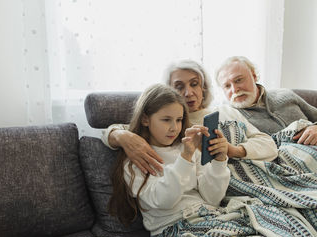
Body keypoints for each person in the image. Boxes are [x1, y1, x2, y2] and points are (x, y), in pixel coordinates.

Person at [102, 60, 278, 175]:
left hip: (264, 171)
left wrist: (233, 150)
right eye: (179, 87)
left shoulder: (227, 111)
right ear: (169, 92)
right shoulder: (171, 125)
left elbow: (269, 146)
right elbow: (116, 130)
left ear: (203, 88)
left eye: (194, 84)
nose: (188, 93)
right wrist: (120, 136)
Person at [107, 84, 231, 236]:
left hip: (210, 216)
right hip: (173, 228)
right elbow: (165, 200)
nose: (174, 128)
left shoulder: (187, 147)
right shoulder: (136, 160)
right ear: (145, 119)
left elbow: (213, 199)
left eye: (179, 120)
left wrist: (219, 162)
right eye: (166, 120)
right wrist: (185, 158)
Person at [215, 56, 317, 146]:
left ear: (254, 76)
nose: (235, 89)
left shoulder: (285, 95)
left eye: (238, 80)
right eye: (227, 86)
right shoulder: (231, 119)